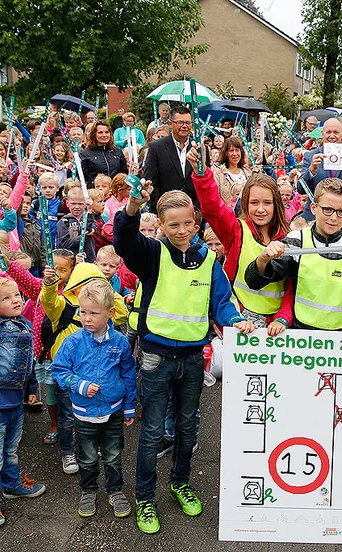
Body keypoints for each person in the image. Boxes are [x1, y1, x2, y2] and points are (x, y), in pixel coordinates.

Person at [113, 186, 253, 534]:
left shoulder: (208, 259)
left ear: (195, 222)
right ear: (160, 224)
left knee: (187, 428)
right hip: (157, 358)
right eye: (172, 224)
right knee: (152, 432)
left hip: (192, 358)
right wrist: (132, 205)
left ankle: (180, 482)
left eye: (187, 223)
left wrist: (235, 321)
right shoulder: (151, 253)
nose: (181, 230)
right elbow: (124, 240)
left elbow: (221, 301)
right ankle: (145, 497)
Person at [245, 178, 342, 331]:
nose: (333, 218)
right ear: (313, 208)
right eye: (327, 209)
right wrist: (263, 258)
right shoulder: (297, 240)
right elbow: (254, 282)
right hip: (303, 335)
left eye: (341, 212)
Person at [0, 253, 46, 528]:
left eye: (17, 294)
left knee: (11, 449)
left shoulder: (23, 325)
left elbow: (28, 363)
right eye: (6, 298)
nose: (16, 299)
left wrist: (32, 389)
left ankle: (12, 484)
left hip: (15, 403)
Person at [51, 280, 137, 519]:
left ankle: (115, 490)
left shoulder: (119, 342)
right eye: (83, 312)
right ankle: (88, 490)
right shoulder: (73, 342)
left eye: (93, 313)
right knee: (87, 458)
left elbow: (128, 373)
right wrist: (79, 385)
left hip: (113, 411)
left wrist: (130, 406)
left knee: (113, 455)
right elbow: (59, 371)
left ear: (110, 313)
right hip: (83, 412)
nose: (86, 318)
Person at [188, 146, 293, 333]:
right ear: (245, 203)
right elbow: (214, 208)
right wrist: (202, 173)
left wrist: (283, 319)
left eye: (267, 203)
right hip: (240, 319)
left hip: (275, 325)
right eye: (254, 203)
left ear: (276, 204)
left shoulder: (289, 239)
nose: (260, 209)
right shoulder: (236, 230)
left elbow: (290, 288)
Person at [300, 118, 342, 231]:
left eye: (336, 132)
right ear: (322, 133)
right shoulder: (310, 156)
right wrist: (312, 170)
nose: (332, 136)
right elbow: (300, 189)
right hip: (315, 216)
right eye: (329, 132)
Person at [142, 106, 198, 213]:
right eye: (180, 123)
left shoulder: (199, 148)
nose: (184, 126)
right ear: (170, 124)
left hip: (194, 211)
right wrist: (163, 207)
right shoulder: (156, 147)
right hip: (165, 211)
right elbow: (151, 181)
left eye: (188, 123)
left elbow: (204, 180)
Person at [79, 121, 128, 186]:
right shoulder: (85, 153)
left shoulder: (117, 151)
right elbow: (83, 177)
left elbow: (123, 173)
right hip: (96, 192)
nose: (104, 135)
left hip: (115, 191)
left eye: (107, 132)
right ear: (94, 134)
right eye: (100, 132)